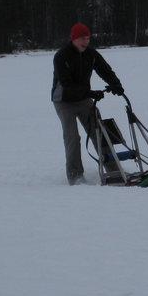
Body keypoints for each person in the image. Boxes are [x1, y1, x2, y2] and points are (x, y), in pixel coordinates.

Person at [51, 22, 125, 185]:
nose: (85, 42)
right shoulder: (61, 56)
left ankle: (114, 170)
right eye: (82, 39)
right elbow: (67, 85)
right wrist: (90, 93)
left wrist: (116, 84)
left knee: (99, 132)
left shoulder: (91, 54)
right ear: (74, 39)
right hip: (63, 101)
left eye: (88, 38)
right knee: (72, 137)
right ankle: (75, 176)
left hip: (83, 98)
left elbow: (104, 69)